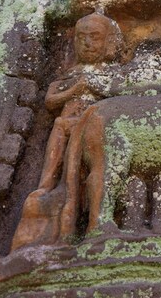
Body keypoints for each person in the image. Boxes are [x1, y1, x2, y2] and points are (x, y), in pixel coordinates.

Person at [11, 12, 123, 250]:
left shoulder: (111, 75)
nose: (88, 43)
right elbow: (51, 100)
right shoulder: (72, 74)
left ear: (109, 41)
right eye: (82, 38)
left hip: (94, 130)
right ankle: (47, 182)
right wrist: (75, 90)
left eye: (95, 37)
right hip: (67, 124)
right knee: (59, 126)